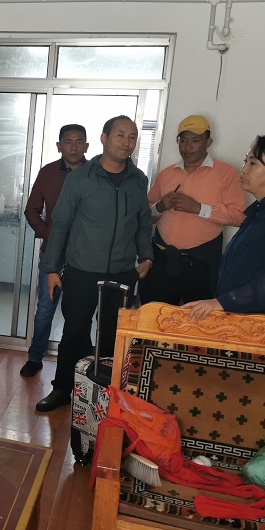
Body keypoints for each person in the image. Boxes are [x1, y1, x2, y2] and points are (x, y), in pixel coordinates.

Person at [36, 115, 153, 412]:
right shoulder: (80, 178)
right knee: (74, 332)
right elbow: (61, 224)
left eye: (132, 137)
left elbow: (142, 223)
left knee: (113, 337)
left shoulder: (138, 180)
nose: (127, 142)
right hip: (82, 272)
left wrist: (146, 255)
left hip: (123, 273)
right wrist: (52, 268)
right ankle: (62, 389)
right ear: (104, 138)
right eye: (120, 135)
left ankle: (106, 393)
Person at [183, 133, 265, 321]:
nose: (244, 169)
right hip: (240, 316)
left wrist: (223, 302)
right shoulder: (261, 208)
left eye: (253, 164)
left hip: (264, 325)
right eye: (246, 161)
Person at [139, 115, 246, 305]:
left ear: (208, 142)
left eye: (195, 140)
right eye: (183, 140)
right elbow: (145, 215)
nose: (187, 147)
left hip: (201, 264)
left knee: (197, 319)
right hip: (162, 259)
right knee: (154, 316)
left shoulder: (226, 174)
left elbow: (238, 216)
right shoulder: (166, 174)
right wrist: (160, 206)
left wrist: (198, 208)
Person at [21, 124, 89, 378]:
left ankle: (78, 364)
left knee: (80, 311)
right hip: (53, 253)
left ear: (87, 146)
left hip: (85, 256)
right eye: (68, 142)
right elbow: (31, 209)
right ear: (59, 146)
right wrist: (47, 233)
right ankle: (35, 357)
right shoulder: (48, 172)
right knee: (45, 308)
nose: (74, 147)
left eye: (79, 142)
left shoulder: (95, 173)